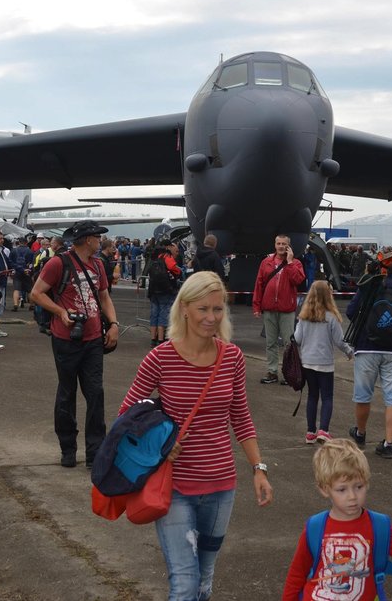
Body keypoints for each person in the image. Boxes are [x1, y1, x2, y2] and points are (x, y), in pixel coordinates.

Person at [117, 271, 272, 600]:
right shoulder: (160, 359)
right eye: (203, 309)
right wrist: (158, 444)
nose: (211, 317)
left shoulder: (232, 357)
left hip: (221, 487)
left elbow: (240, 416)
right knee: (185, 584)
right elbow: (126, 418)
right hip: (174, 489)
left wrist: (259, 468)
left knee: (204, 581)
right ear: (184, 308)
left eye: (218, 309)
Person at [283, 438, 392, 600]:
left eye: (358, 486)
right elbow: (296, 575)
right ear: (324, 489)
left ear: (367, 482)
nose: (352, 496)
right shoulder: (315, 528)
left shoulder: (379, 527)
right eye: (342, 490)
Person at [28, 220, 120, 469]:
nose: (100, 242)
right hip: (66, 340)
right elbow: (36, 293)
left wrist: (113, 324)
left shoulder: (99, 265)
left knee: (96, 394)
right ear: (88, 239)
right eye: (98, 238)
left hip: (92, 340)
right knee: (66, 394)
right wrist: (61, 312)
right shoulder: (59, 263)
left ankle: (95, 451)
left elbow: (104, 297)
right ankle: (68, 448)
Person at [345, 254, 392, 459]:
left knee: (363, 395)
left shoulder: (370, 286)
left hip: (367, 346)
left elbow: (351, 312)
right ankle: (388, 444)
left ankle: (360, 433)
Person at [294, 281, 354, 444]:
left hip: (307, 362)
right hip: (325, 363)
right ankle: (324, 430)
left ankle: (310, 432)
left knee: (312, 396)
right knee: (327, 396)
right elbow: (339, 341)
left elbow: (297, 339)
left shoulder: (303, 316)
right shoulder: (331, 317)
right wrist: (349, 351)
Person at [252, 234, 305, 384]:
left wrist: (289, 263)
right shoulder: (266, 263)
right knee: (271, 342)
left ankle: (290, 373)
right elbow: (259, 284)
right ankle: (272, 372)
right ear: (275, 245)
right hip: (269, 308)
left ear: (288, 246)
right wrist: (256, 305)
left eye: (284, 244)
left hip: (286, 309)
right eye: (279, 243)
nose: (281, 246)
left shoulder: (296, 263)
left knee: (289, 343)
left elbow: (298, 280)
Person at [147, 238, 182, 346]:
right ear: (169, 246)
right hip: (165, 289)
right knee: (164, 312)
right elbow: (172, 267)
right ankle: (161, 339)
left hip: (153, 288)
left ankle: (153, 338)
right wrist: (179, 271)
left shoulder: (154, 255)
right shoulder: (166, 256)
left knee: (154, 313)